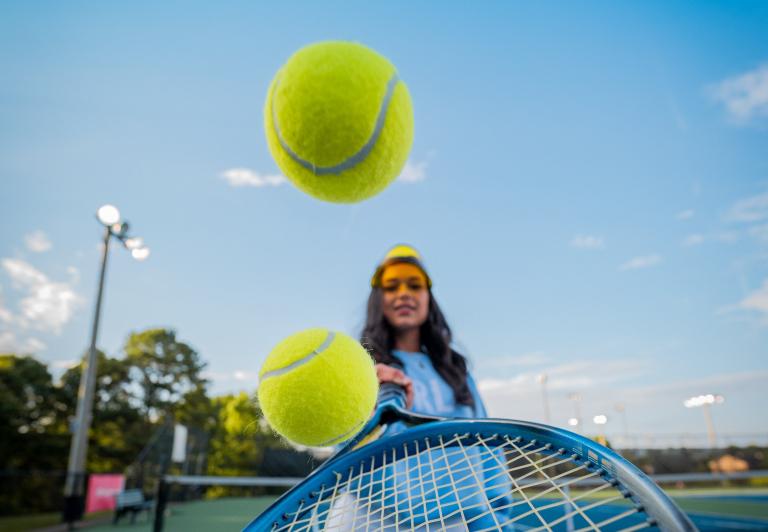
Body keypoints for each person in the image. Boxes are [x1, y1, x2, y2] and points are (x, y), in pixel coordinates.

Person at [361, 244, 487, 420]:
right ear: (378, 300)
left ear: (428, 298)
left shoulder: (457, 370)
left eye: (414, 285)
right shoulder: (363, 372)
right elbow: (346, 443)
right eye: (391, 287)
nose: (404, 293)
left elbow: (489, 442)